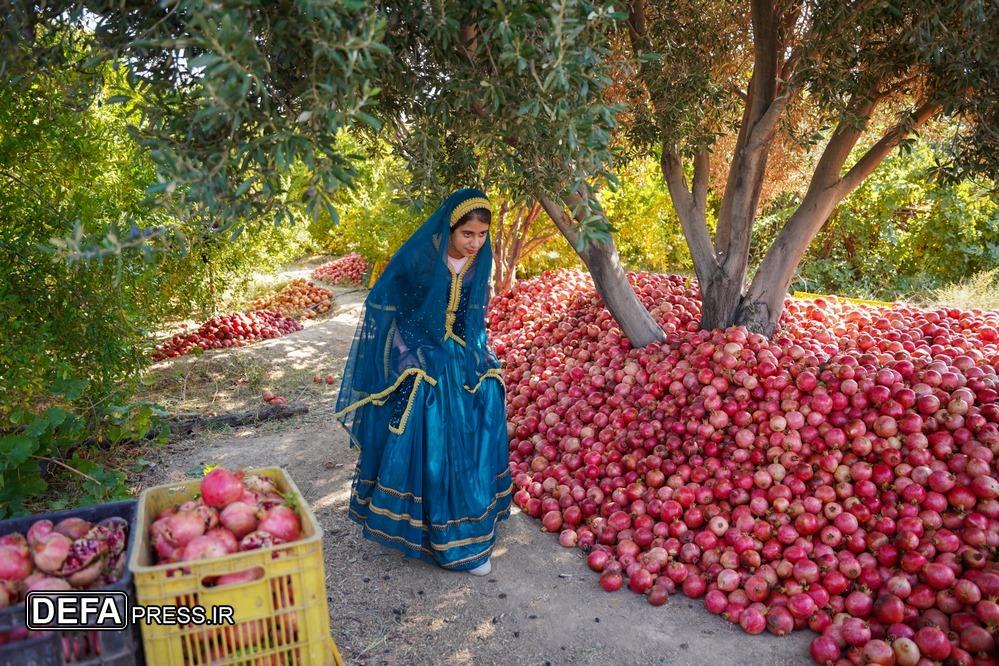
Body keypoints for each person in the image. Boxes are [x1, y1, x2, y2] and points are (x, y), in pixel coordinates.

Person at [334, 188, 511, 575]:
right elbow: (384, 301)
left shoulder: (481, 259)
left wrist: (475, 353)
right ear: (450, 227)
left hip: (460, 348)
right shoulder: (420, 257)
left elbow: (473, 313)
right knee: (431, 411)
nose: (476, 243)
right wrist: (405, 347)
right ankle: (439, 531)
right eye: (468, 234)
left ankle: (468, 522)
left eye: (482, 235)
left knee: (487, 396)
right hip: (419, 345)